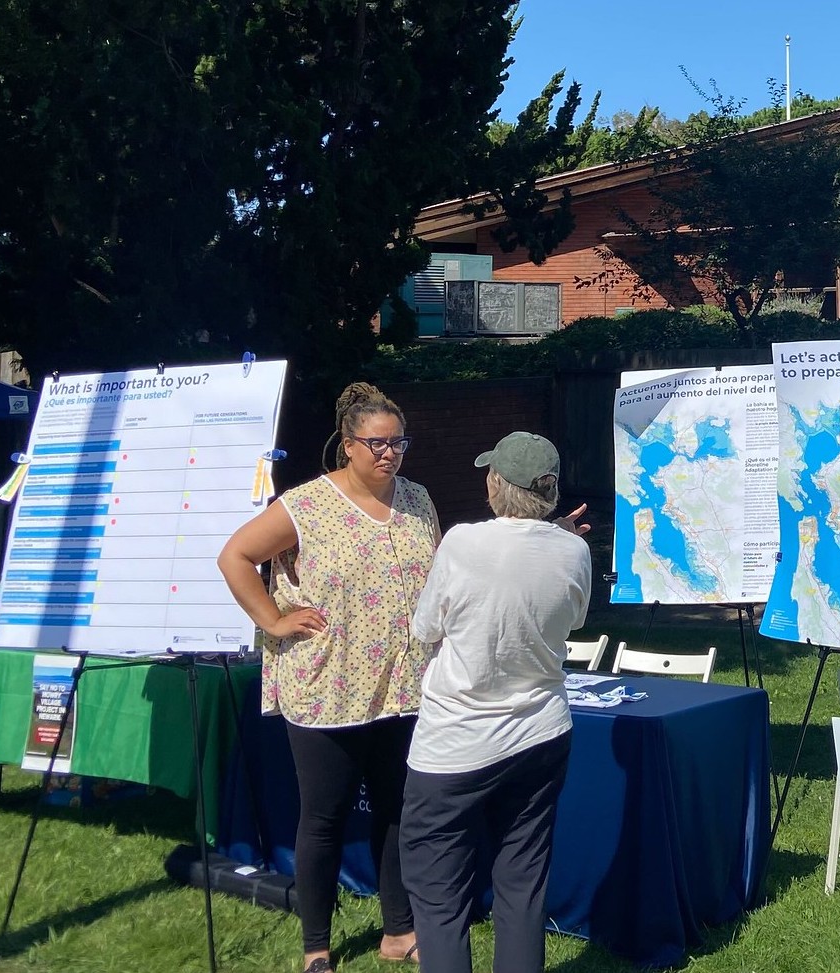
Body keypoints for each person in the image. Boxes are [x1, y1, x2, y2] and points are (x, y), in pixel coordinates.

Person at [217, 383, 436, 972]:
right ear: (347, 444)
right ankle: (317, 945)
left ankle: (398, 931)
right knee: (324, 816)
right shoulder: (306, 505)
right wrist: (274, 619)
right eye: (376, 444)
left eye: (398, 442)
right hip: (328, 686)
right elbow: (234, 556)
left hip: (404, 684)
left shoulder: (417, 500)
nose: (389, 454)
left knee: (397, 808)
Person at [400, 432, 592, 973]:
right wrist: (556, 538)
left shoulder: (462, 542)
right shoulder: (573, 549)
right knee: (522, 883)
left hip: (455, 742)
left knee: (438, 895)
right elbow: (570, 615)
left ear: (496, 484)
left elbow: (424, 627)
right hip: (540, 731)